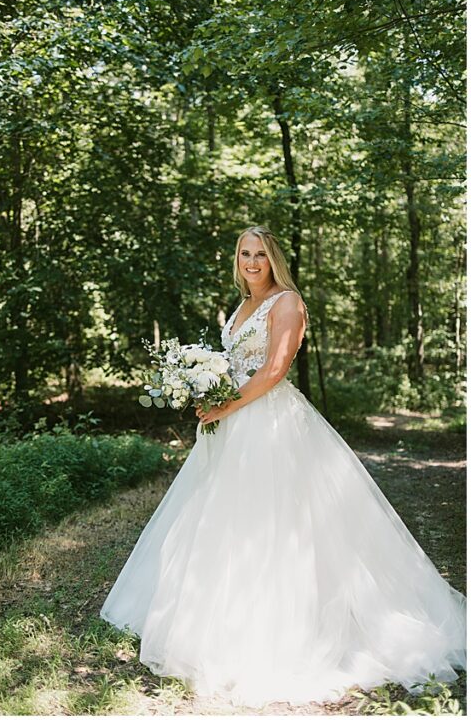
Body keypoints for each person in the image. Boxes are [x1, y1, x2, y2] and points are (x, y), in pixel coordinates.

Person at [101, 226, 467, 705]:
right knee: (224, 523)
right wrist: (204, 387)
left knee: (277, 523)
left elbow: (274, 371)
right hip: (230, 425)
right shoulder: (239, 306)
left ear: (274, 259)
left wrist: (225, 405)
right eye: (245, 254)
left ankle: (291, 629)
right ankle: (217, 620)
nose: (252, 262)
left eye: (260, 254)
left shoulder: (287, 302)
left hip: (270, 427)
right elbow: (233, 365)